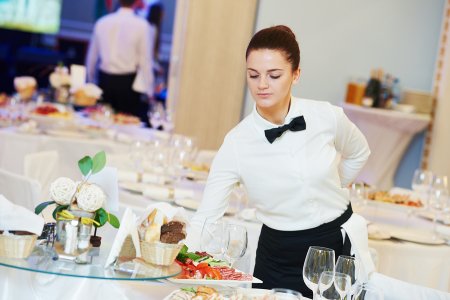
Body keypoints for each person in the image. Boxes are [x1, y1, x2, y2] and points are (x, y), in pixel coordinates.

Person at [187, 25, 370, 298]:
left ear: (296, 74)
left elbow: (359, 152)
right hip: (278, 257)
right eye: (253, 75)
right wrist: (178, 259)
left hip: (336, 251)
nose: (262, 84)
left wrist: (332, 187)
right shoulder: (237, 142)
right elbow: (207, 216)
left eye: (274, 75)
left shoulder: (326, 117)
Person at [86, 0, 153, 126]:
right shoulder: (142, 25)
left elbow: (92, 57)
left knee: (101, 123)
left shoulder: (102, 22)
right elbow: (145, 60)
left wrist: (90, 81)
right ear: (136, 3)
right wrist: (149, 91)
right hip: (127, 84)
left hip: (104, 80)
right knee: (125, 126)